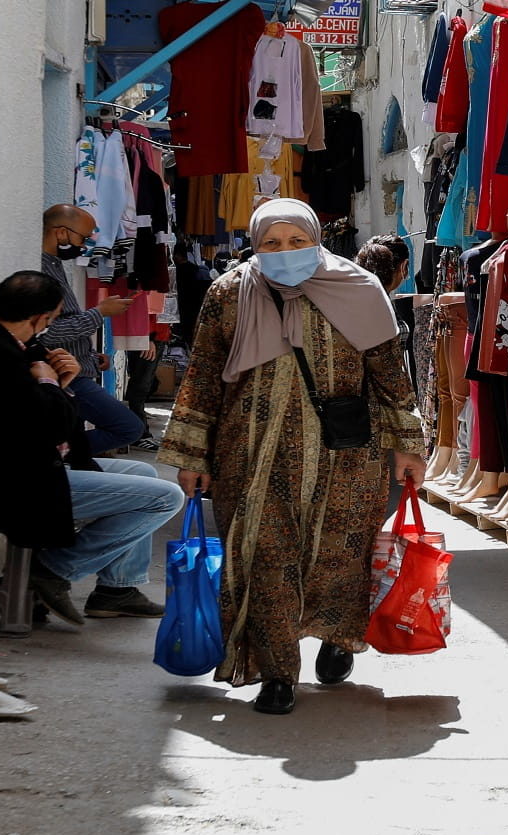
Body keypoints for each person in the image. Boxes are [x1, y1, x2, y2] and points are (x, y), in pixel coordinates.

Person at [159, 199, 428, 715]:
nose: (284, 252)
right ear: (255, 245)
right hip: (251, 452)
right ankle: (277, 672)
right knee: (264, 559)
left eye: (296, 241)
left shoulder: (359, 288)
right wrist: (192, 453)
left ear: (315, 238)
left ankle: (337, 636)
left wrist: (407, 445)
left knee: (340, 552)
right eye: (271, 244)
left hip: (347, 454)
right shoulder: (231, 292)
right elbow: (203, 376)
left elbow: (391, 374)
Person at [0, 272, 183, 627]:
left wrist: (58, 383)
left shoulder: (0, 343)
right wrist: (53, 383)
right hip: (11, 483)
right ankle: (54, 569)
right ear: (40, 318)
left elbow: (45, 421)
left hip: (27, 468)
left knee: (143, 472)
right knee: (165, 497)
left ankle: (116, 589)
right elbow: (47, 427)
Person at [38, 204, 146, 454]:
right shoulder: (41, 270)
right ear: (62, 233)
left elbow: (62, 324)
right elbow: (48, 332)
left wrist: (89, 357)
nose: (85, 245)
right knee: (129, 427)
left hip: (77, 369)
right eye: (83, 238)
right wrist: (99, 313)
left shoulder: (53, 265)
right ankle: (55, 456)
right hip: (68, 375)